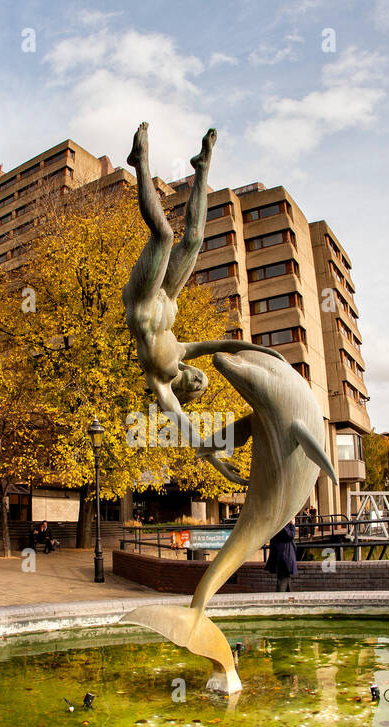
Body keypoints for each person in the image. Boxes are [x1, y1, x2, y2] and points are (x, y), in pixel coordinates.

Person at [122, 122, 289, 484]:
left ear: (187, 389)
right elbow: (223, 344)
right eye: (204, 380)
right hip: (167, 295)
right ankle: (203, 165)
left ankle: (141, 162)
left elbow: (185, 430)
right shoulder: (180, 351)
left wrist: (215, 463)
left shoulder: (162, 384)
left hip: (143, 301)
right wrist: (263, 354)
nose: (203, 379)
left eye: (199, 384)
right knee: (194, 240)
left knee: (164, 236)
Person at [265, 521, 297, 592]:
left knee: (285, 577)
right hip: (284, 556)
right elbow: (290, 535)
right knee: (283, 578)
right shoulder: (281, 525)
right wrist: (292, 525)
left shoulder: (278, 524)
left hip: (282, 554)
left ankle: (289, 599)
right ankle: (280, 598)